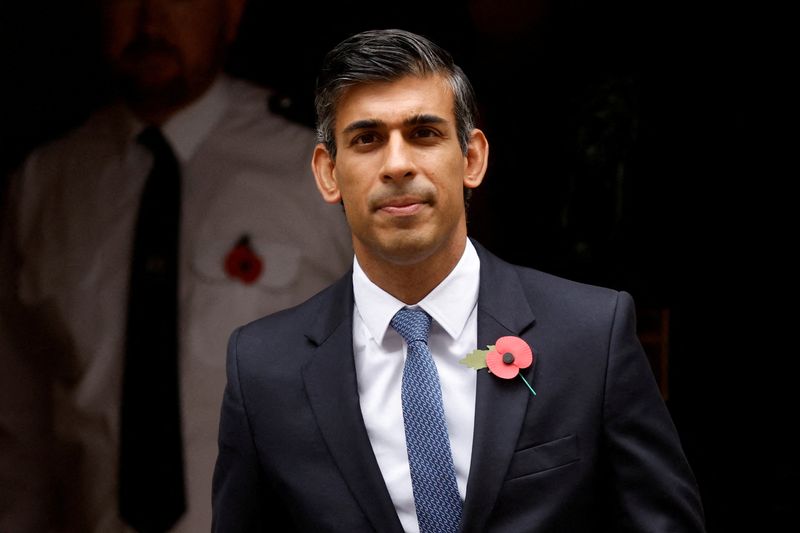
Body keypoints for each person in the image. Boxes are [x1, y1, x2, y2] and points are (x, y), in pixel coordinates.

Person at [210, 28, 706, 532]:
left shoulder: (591, 334)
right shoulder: (262, 369)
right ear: (328, 173)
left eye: (424, 133)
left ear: (471, 158)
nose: (398, 164)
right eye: (367, 139)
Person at [0, 0, 352, 532]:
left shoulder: (325, 167)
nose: (150, 18)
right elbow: (20, 429)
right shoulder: (42, 183)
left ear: (231, 14)